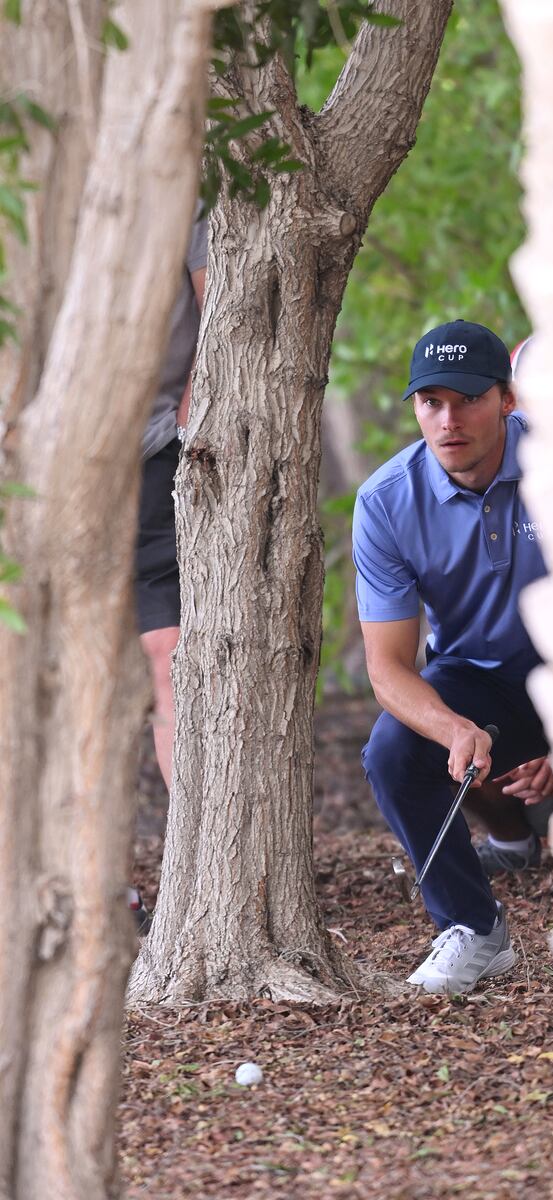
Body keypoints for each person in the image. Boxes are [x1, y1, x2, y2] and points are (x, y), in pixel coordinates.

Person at [353, 319, 553, 994]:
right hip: (478, 676)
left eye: (467, 398)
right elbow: (388, 667)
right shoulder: (387, 502)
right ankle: (474, 928)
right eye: (430, 401)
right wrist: (454, 729)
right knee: (392, 753)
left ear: (507, 398)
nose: (447, 420)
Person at [128, 209, 207, 931]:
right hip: (39, 463)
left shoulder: (189, 186)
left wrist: (190, 417)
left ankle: (195, 867)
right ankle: (91, 877)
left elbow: (220, 316)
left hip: (154, 450)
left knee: (168, 654)